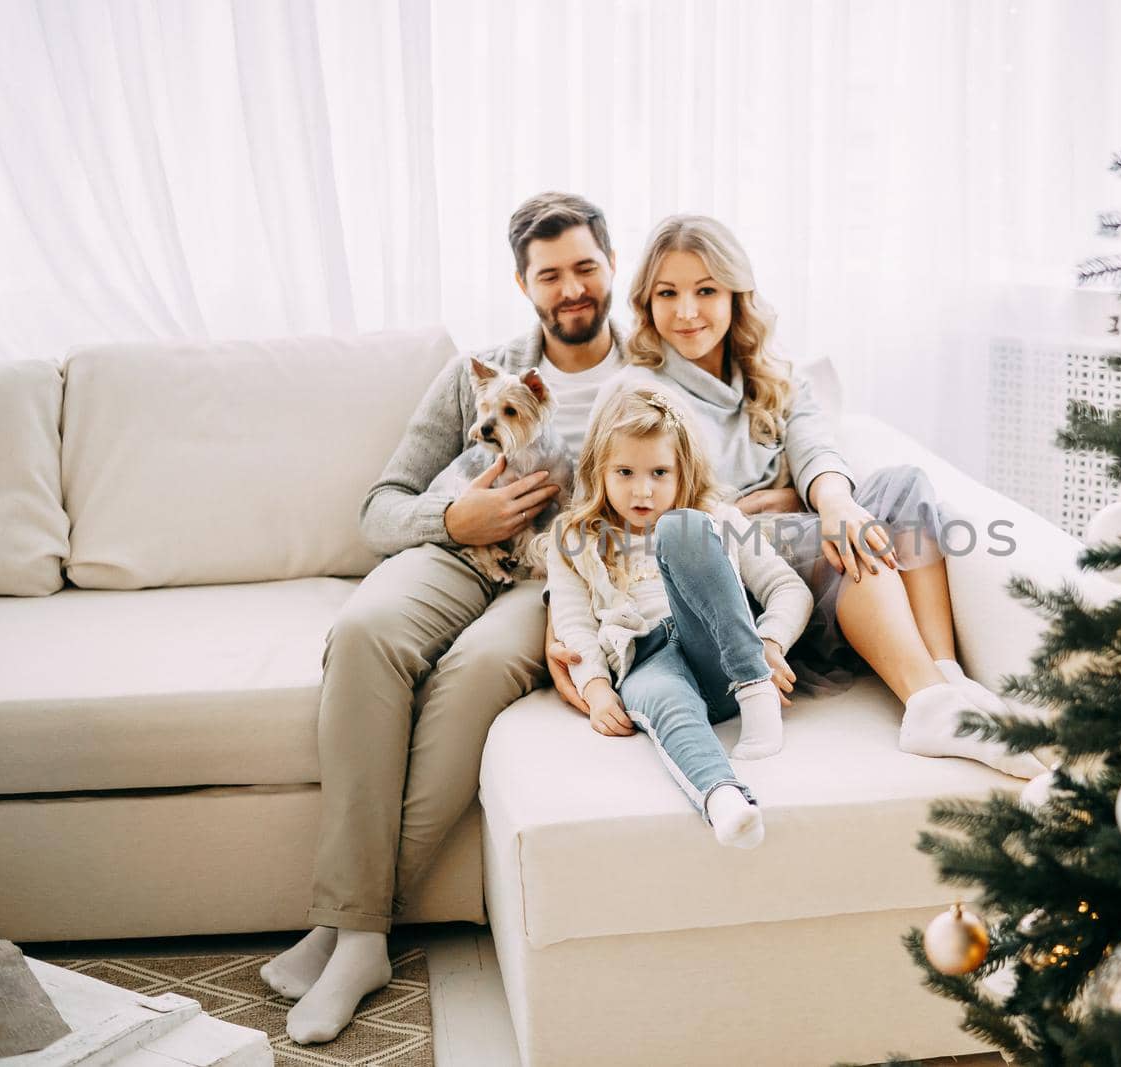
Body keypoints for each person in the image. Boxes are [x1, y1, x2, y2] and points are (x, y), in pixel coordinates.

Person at [261, 192, 626, 1046]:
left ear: (612, 269)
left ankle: (352, 930)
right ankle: (358, 931)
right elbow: (378, 507)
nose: (570, 288)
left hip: (557, 573)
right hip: (456, 547)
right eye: (550, 275)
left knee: (471, 675)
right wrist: (453, 519)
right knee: (362, 633)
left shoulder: (648, 374)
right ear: (521, 283)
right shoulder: (482, 367)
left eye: (585, 268)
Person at [549, 214, 1044, 781]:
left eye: (705, 291)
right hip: (732, 563)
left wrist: (828, 503)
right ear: (646, 302)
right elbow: (598, 509)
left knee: (900, 486)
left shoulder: (774, 376)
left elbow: (816, 450)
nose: (687, 311)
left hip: (798, 537)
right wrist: (564, 637)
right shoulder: (637, 390)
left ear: (737, 296)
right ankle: (929, 701)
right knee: (851, 547)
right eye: (668, 294)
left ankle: (946, 677)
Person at [544, 386, 812, 848]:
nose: (642, 489)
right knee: (664, 698)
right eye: (624, 472)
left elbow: (789, 589)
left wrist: (769, 644)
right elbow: (574, 625)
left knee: (681, 527)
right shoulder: (574, 537)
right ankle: (723, 799)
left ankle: (756, 692)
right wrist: (596, 687)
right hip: (646, 659)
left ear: (683, 470)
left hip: (722, 656)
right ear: (599, 471)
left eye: (659, 472)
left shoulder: (715, 517)